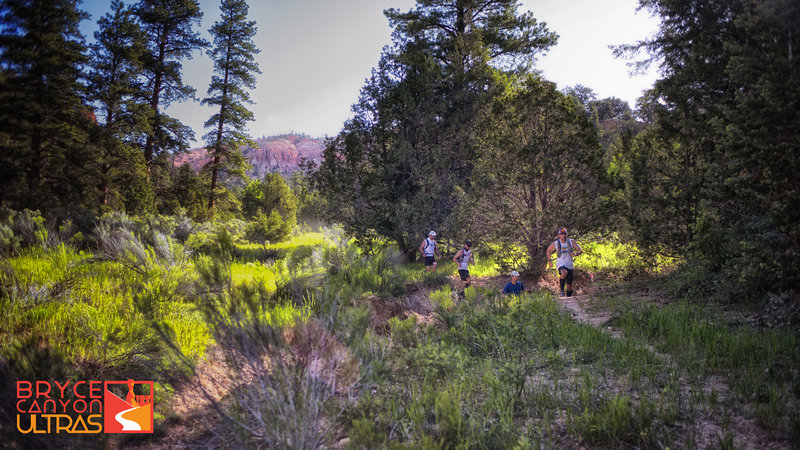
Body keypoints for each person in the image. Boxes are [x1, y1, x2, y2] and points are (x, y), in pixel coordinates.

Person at [546, 227, 584, 297]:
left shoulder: (571, 241)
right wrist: (549, 261)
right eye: (561, 234)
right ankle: (562, 290)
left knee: (569, 285)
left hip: (569, 265)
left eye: (564, 234)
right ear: (558, 235)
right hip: (560, 264)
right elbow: (548, 250)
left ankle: (569, 298)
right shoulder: (556, 243)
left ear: (567, 235)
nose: (563, 235)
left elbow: (580, 250)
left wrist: (576, 254)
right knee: (563, 272)